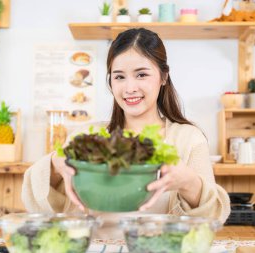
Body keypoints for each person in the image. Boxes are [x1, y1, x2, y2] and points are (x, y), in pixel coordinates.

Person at [22, 28, 230, 238]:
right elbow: (36, 204)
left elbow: (212, 220)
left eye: (141, 74)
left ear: (164, 77)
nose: (129, 88)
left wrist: (189, 183)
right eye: (119, 76)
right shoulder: (85, 137)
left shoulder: (188, 139)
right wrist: (55, 167)